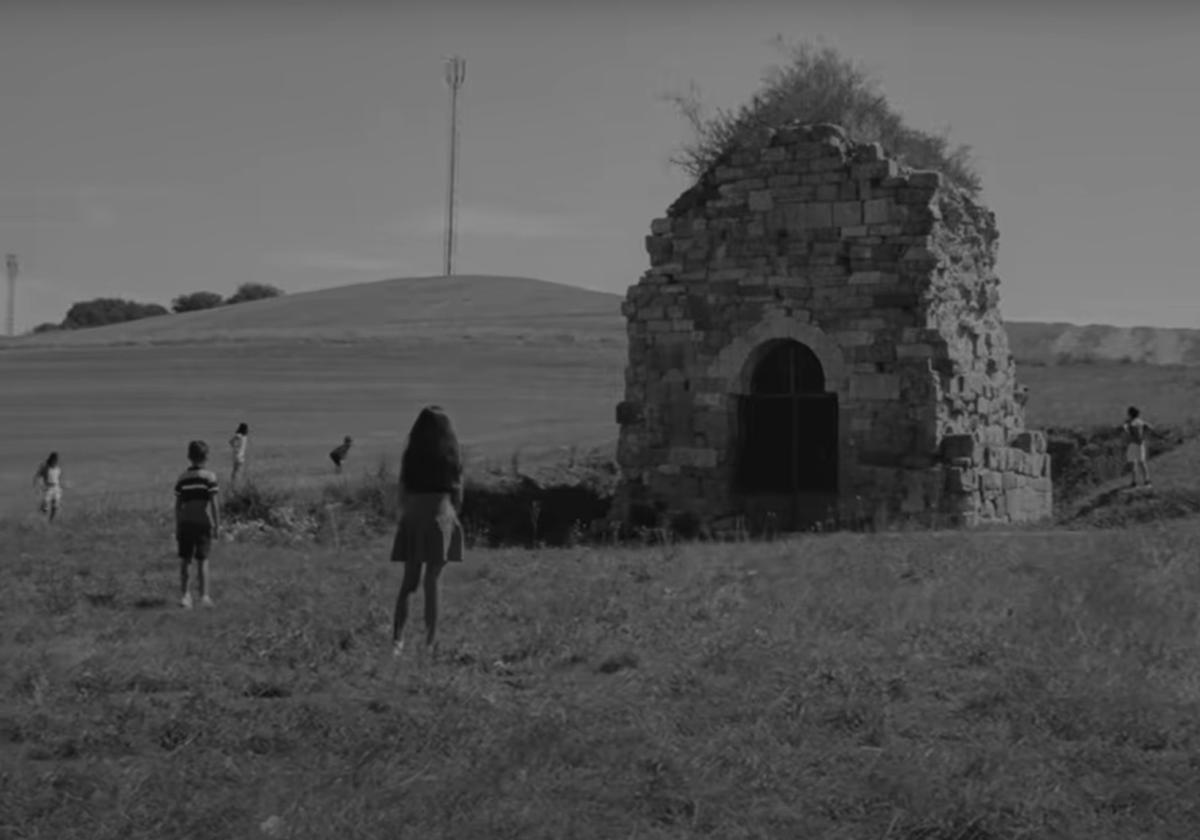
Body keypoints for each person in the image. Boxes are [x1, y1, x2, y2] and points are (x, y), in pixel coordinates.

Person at [391, 406, 465, 659]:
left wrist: (404, 517)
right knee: (433, 580)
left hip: (414, 516)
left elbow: (401, 493)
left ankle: (397, 641)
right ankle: (429, 641)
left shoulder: (411, 456)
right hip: (441, 514)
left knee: (408, 583)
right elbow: (459, 494)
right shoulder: (451, 456)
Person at [174, 440, 221, 609]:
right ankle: (204, 596)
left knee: (185, 560)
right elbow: (214, 504)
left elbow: (178, 506)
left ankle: (185, 596)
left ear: (189, 457)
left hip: (185, 523)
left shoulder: (182, 478)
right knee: (203, 560)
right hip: (203, 523)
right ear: (207, 457)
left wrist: (177, 526)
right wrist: (217, 525)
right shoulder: (210, 477)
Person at [1121, 406, 1154, 489]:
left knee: (1133, 463)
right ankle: (1147, 481)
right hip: (1140, 444)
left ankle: (1134, 482)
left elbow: (1127, 431)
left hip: (1133, 444)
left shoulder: (1130, 423)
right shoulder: (1140, 422)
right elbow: (1149, 427)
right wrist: (1144, 435)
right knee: (1142, 462)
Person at [33, 452, 63, 523]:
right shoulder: (45, 467)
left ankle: (51, 521)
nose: (56, 461)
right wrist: (37, 486)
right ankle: (42, 515)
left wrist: (63, 485)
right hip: (48, 488)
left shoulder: (58, 468)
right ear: (51, 459)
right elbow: (37, 476)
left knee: (55, 507)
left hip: (56, 488)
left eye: (56, 459)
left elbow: (58, 479)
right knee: (45, 507)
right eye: (54, 459)